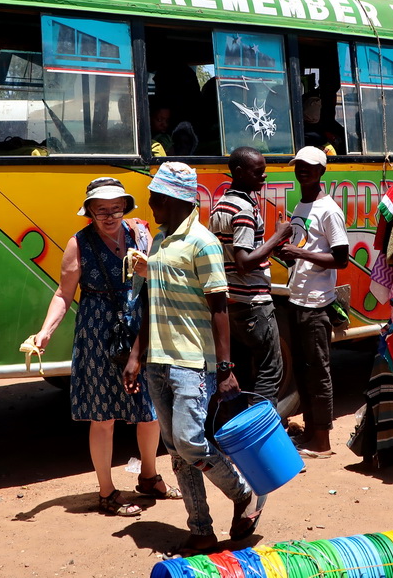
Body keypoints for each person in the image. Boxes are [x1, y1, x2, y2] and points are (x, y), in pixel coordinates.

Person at [123, 162, 264, 556]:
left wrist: (225, 368)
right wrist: (137, 355)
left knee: (189, 442)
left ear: (177, 199)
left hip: (192, 363)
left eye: (157, 198)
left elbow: (220, 307)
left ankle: (243, 494)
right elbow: (150, 300)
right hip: (158, 363)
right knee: (176, 450)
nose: (151, 205)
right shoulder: (159, 242)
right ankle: (201, 529)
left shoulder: (203, 243)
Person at [32, 177, 179, 517]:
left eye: (116, 209)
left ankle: (149, 475)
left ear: (125, 208)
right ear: (90, 213)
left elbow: (160, 278)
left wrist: (150, 270)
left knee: (149, 409)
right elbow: (63, 294)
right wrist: (46, 331)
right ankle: (107, 492)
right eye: (102, 211)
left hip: (138, 329)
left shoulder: (141, 235)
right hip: (97, 331)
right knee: (103, 416)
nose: (110, 216)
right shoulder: (78, 244)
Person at [275, 146, 349, 458]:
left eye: (309, 166)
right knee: (304, 371)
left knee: (318, 372)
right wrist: (287, 251)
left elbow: (341, 258)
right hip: (297, 299)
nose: (302, 170)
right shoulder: (300, 207)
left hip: (317, 303)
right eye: (299, 166)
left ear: (321, 171)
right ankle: (310, 432)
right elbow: (302, 247)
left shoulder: (329, 209)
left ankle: (322, 441)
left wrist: (300, 253)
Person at [209, 147, 292, 412]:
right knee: (270, 370)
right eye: (258, 172)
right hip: (253, 301)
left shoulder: (220, 205)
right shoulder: (244, 209)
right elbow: (244, 262)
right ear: (239, 172)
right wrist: (279, 236)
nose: (264, 176)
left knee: (244, 371)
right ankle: (263, 436)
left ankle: (240, 438)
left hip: (231, 301)